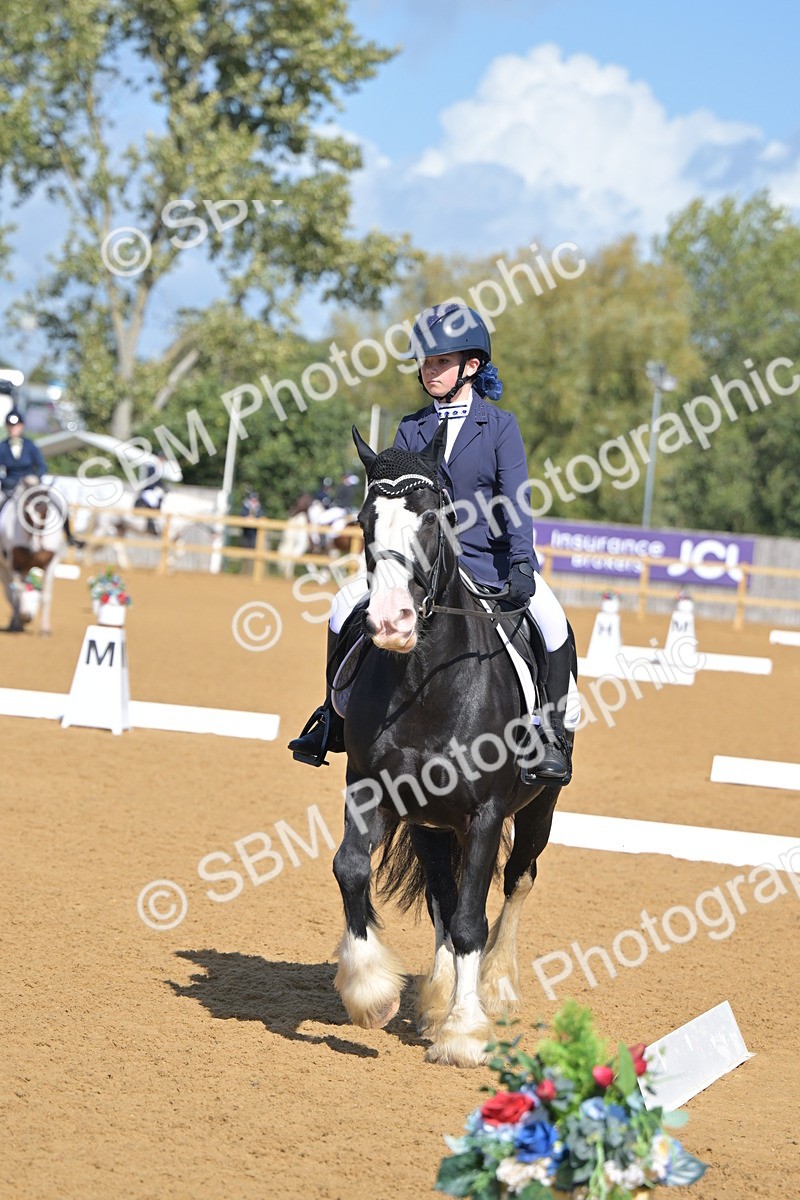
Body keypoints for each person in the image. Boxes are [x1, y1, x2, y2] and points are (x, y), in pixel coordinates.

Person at [289, 302, 573, 783]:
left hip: (489, 564)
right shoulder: (411, 426)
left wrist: (522, 564)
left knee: (553, 622)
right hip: (417, 565)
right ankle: (332, 722)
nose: (431, 370)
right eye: (426, 362)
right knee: (341, 607)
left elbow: (516, 502)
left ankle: (551, 734)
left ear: (471, 366)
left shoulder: (500, 427)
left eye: (441, 361)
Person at [0, 409, 48, 510]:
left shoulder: (30, 445)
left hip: (29, 486)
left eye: (16, 425)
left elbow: (42, 465)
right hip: (9, 488)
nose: (13, 428)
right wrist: (5, 480)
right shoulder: (2, 446)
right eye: (11, 425)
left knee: (48, 505)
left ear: (22, 426)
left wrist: (36, 477)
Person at [134, 450, 169, 535]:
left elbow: (158, 481)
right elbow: (149, 481)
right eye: (161, 458)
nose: (162, 460)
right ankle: (150, 522)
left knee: (160, 497)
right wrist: (156, 487)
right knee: (153, 501)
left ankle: (156, 519)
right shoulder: (150, 467)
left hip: (152, 489)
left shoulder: (158, 468)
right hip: (147, 490)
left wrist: (164, 487)